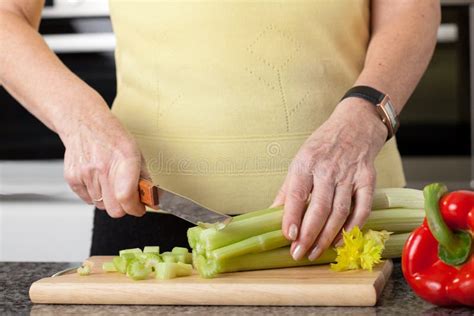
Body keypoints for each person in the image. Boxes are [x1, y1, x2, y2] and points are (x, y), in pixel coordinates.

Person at [0, 1, 440, 260]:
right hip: (148, 209)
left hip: (351, 209)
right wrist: (81, 121)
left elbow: (409, 6)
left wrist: (363, 120)